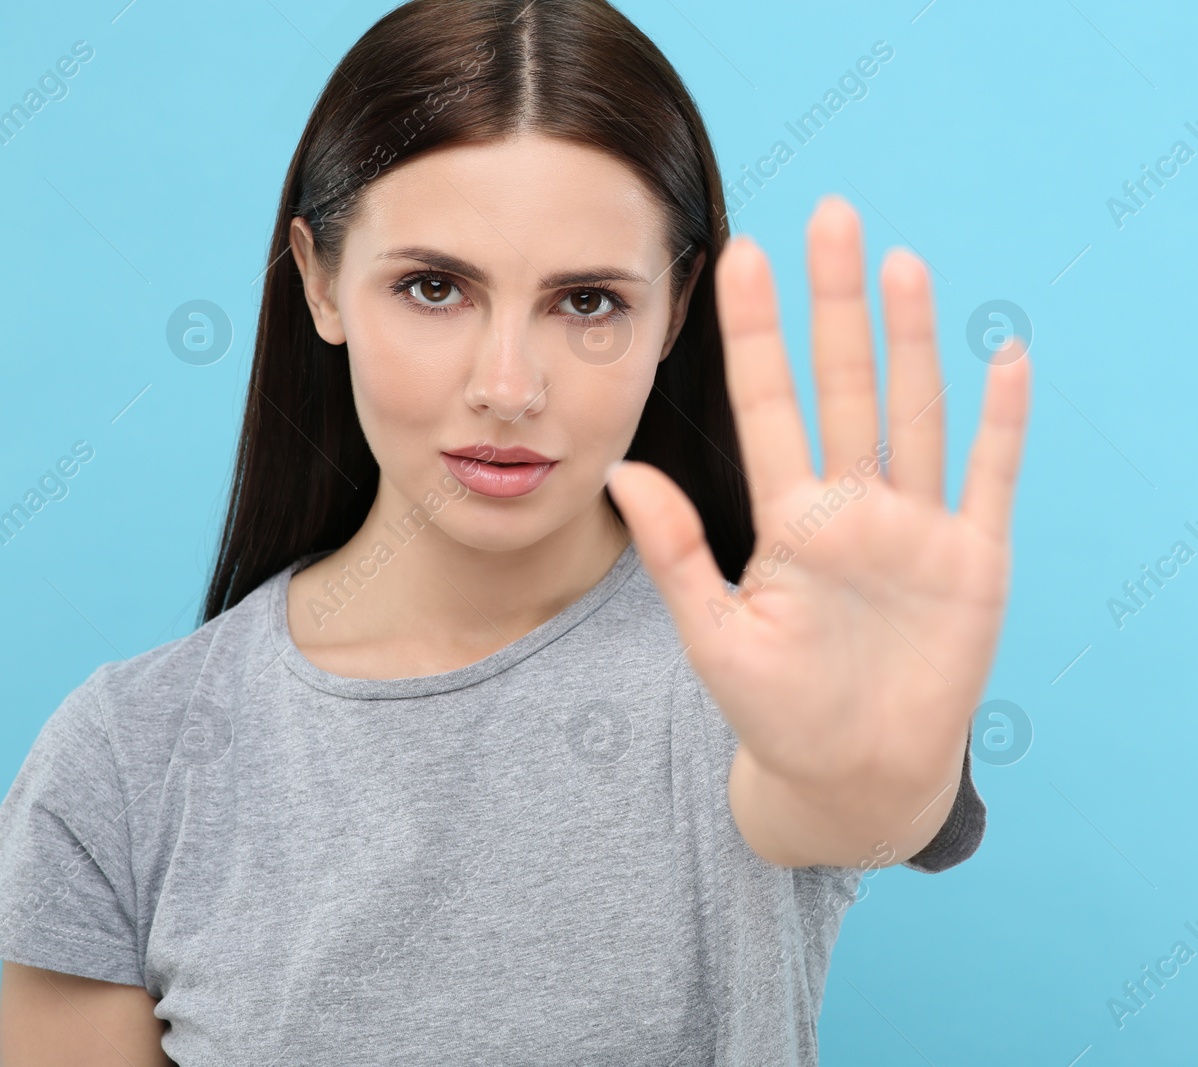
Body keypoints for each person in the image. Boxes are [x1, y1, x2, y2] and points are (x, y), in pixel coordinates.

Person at [0, 0, 1030, 1062]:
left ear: (675, 308)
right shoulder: (124, 757)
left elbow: (842, 790)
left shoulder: (760, 685)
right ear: (319, 279)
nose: (507, 386)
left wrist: (872, 777)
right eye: (433, 287)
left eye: (586, 301)